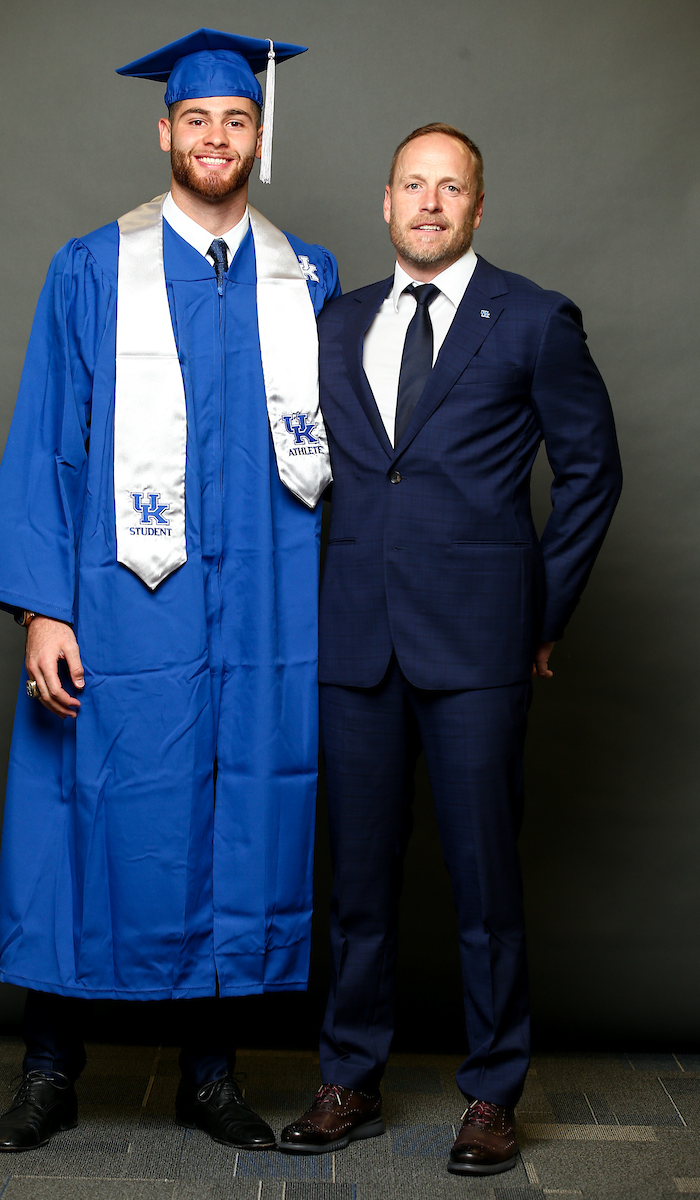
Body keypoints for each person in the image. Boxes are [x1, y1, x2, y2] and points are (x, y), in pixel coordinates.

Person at [0, 28, 339, 1153]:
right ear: (163, 130)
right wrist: (43, 606)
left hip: (265, 605)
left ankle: (209, 1077)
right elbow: (47, 439)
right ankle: (49, 1069)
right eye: (196, 119)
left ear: (258, 137)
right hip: (125, 600)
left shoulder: (306, 278)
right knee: (82, 813)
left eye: (236, 120)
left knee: (231, 814)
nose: (216, 136)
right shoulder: (92, 268)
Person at [279, 123, 622, 1175]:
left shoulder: (533, 319)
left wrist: (539, 614)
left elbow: (592, 473)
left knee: (484, 883)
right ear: (385, 203)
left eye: (451, 188)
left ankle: (491, 1093)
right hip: (354, 643)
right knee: (357, 886)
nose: (429, 204)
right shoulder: (333, 322)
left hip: (479, 644)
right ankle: (348, 1077)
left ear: (477, 206)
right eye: (412, 186)